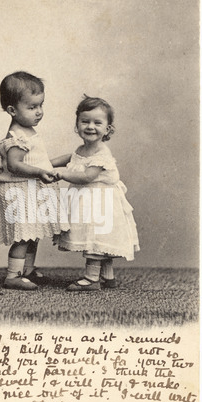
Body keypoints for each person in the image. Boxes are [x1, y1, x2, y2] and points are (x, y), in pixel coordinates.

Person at [0, 71, 69, 290]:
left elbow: (39, 160)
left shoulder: (28, 131)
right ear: (12, 110)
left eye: (40, 105)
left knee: (32, 233)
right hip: (19, 192)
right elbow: (15, 165)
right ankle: (13, 275)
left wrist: (65, 160)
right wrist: (38, 173)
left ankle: (27, 269)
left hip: (30, 190)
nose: (39, 112)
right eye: (32, 107)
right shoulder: (16, 135)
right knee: (23, 236)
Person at [52, 95, 140, 291]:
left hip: (102, 204)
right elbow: (71, 157)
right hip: (88, 203)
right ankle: (107, 276)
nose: (90, 126)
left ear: (107, 129)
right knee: (100, 239)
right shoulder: (82, 149)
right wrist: (49, 164)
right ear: (77, 125)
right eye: (85, 121)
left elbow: (86, 176)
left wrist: (61, 174)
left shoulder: (102, 154)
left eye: (97, 122)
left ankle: (92, 279)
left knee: (97, 239)